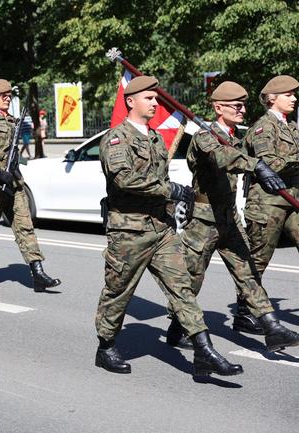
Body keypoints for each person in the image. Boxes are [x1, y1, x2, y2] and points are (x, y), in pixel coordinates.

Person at [95, 75, 242, 376]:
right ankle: (106, 345)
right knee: (118, 292)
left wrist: (177, 205)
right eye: (149, 98)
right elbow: (124, 180)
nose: (155, 103)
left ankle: (204, 349)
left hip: (161, 230)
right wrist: (169, 190)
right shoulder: (116, 138)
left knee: (182, 288)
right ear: (131, 101)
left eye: (155, 98)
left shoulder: (154, 139)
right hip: (129, 233)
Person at [164, 81, 299, 352]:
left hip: (228, 216)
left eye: (244, 105)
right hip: (204, 218)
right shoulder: (205, 136)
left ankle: (272, 327)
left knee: (247, 271)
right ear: (218, 108)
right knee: (192, 278)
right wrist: (258, 166)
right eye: (236, 106)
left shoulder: (236, 136)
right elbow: (224, 158)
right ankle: (178, 329)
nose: (242, 109)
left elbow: (238, 152)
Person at [0, 79, 60, 293]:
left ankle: (37, 272)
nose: (6, 97)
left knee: (25, 227)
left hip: (14, 185)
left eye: (9, 94)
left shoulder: (12, 121)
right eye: (2, 94)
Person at [240, 75, 299, 331]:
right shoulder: (263, 128)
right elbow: (270, 164)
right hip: (268, 203)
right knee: (258, 259)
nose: (294, 98)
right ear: (272, 98)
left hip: (292, 199)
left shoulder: (292, 127)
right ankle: (244, 310)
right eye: (289, 94)